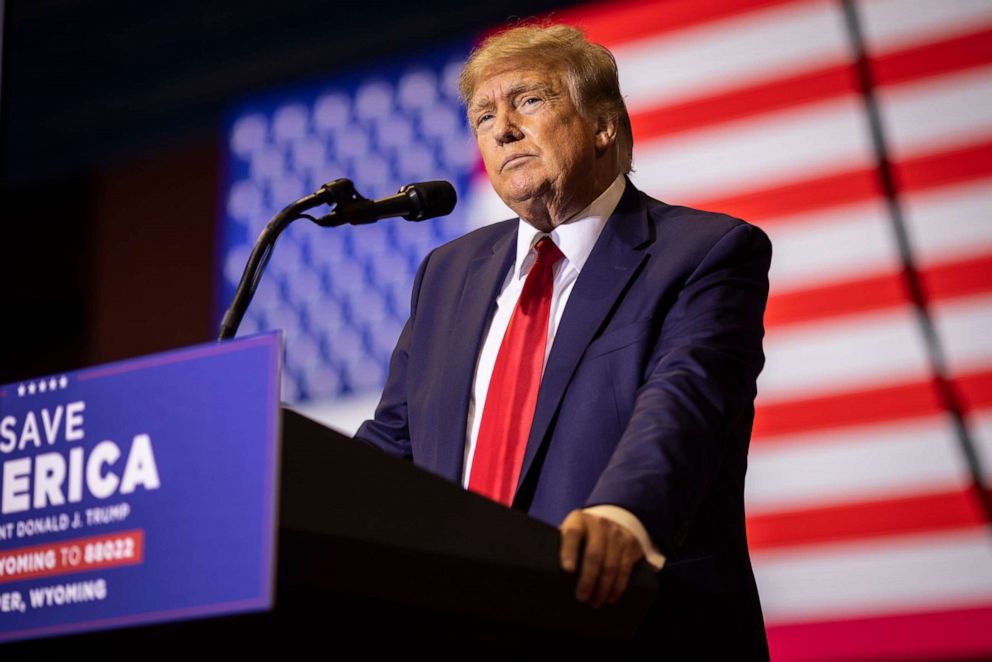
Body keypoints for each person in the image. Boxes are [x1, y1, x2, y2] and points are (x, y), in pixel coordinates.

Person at [355, 23, 771, 658]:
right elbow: (392, 446)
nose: (502, 130)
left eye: (528, 100)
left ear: (604, 125)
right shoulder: (446, 274)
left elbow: (685, 404)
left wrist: (622, 515)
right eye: (483, 116)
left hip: (629, 619)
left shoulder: (702, 253)